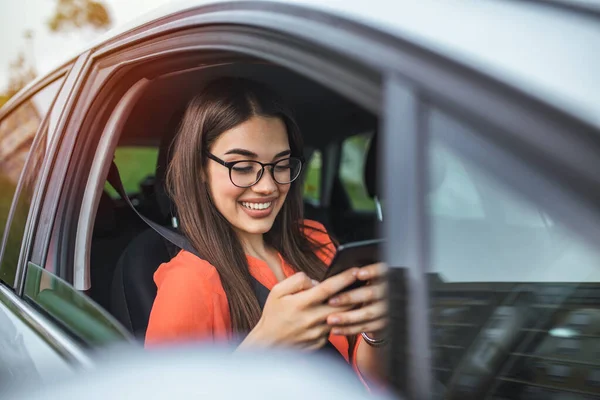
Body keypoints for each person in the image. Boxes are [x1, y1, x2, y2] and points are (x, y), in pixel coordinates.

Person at [145, 77, 388, 386]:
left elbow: (364, 382)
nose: (268, 186)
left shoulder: (315, 240)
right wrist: (264, 346)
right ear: (200, 171)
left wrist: (375, 332)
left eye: (281, 165)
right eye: (243, 167)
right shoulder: (190, 283)